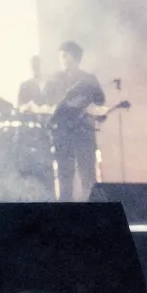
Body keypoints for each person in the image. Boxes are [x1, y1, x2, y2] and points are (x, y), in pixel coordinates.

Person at [36, 42, 105, 201]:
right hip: (63, 134)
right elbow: (44, 102)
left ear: (72, 57)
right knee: (64, 177)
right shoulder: (54, 79)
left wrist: (88, 109)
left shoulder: (88, 79)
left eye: (63, 55)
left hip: (82, 133)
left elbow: (100, 103)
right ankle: (66, 216)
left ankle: (93, 214)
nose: (61, 59)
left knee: (87, 175)